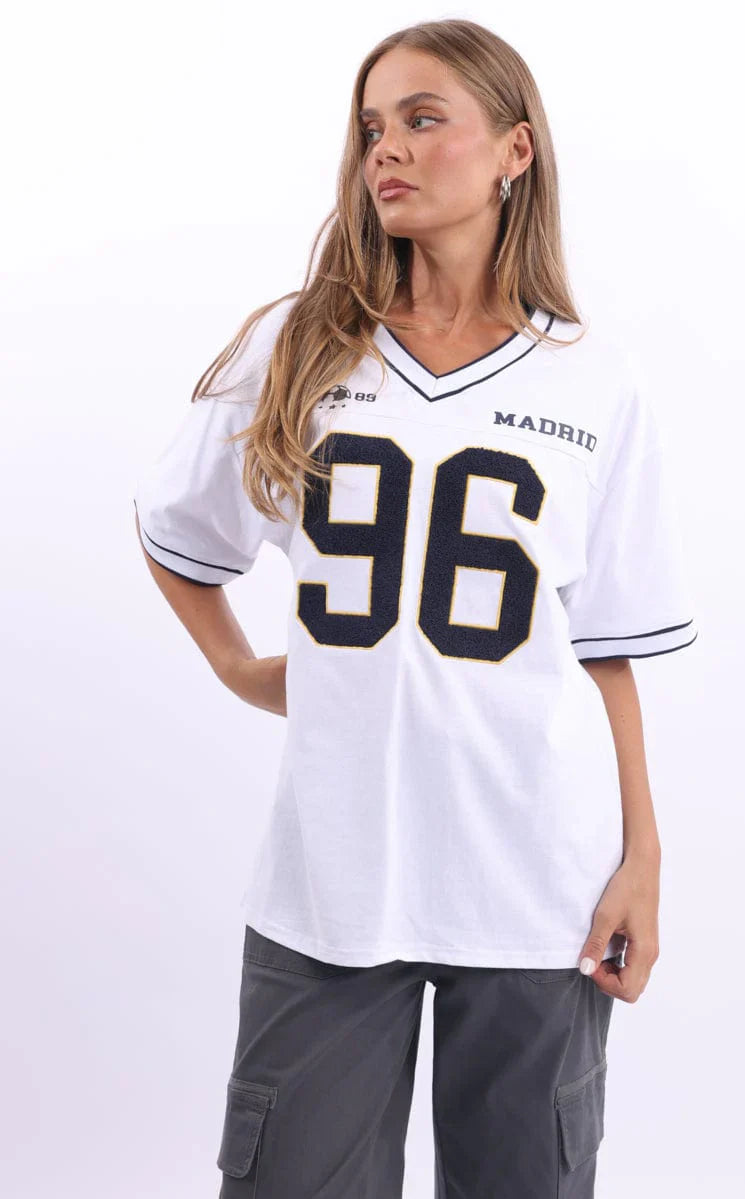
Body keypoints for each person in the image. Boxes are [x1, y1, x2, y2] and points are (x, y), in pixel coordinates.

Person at [133, 18, 698, 1199]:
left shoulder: (594, 378)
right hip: (330, 882)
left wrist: (640, 853)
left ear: (512, 152)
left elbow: (602, 648)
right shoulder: (297, 345)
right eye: (371, 126)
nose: (384, 147)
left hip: (537, 883)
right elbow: (179, 532)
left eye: (422, 118)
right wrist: (238, 665)